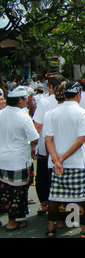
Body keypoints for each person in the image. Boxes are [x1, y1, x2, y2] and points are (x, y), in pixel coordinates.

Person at [45, 81, 85, 238]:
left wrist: (57, 160)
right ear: (78, 95)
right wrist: (63, 157)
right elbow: (81, 140)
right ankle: (82, 228)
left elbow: (48, 139)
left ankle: (51, 228)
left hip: (56, 163)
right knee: (77, 196)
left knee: (55, 195)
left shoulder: (51, 113)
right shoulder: (82, 113)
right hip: (74, 161)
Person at [0, 86, 39, 230]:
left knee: (4, 191)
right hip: (17, 160)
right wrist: (32, 145)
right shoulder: (23, 116)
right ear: (20, 100)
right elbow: (34, 137)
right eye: (25, 98)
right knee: (17, 192)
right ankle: (12, 222)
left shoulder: (1, 114)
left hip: (2, 159)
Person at [32, 72, 66, 216]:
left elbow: (37, 126)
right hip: (63, 145)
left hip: (45, 146)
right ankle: (62, 206)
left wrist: (32, 144)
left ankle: (46, 205)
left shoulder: (44, 102)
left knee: (43, 177)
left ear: (51, 87)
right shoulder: (67, 99)